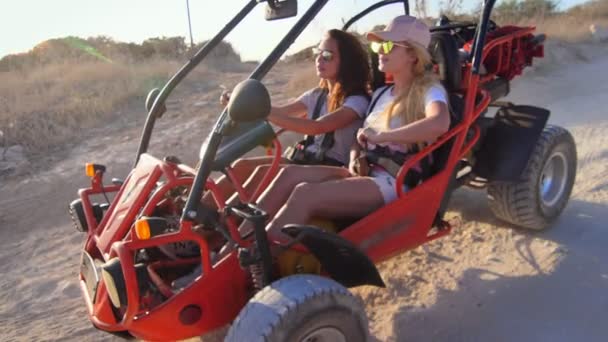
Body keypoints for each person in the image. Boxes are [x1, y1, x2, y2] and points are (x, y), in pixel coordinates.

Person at [238, 15, 451, 245]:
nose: (380, 50)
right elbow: (360, 137)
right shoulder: (381, 94)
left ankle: (255, 261)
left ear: (412, 54)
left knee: (305, 194)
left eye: (388, 44)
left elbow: (439, 123)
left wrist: (384, 137)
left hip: (391, 181)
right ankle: (235, 244)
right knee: (288, 174)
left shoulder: (429, 90)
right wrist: (354, 156)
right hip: (362, 171)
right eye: (378, 45)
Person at [204, 29, 371, 207]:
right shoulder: (317, 94)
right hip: (307, 159)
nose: (319, 59)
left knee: (264, 172)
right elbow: (284, 112)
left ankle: (224, 220)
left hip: (333, 167)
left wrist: (262, 112)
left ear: (346, 61)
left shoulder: (356, 101)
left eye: (328, 55)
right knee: (241, 165)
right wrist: (240, 102)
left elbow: (316, 127)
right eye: (318, 53)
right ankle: (198, 209)